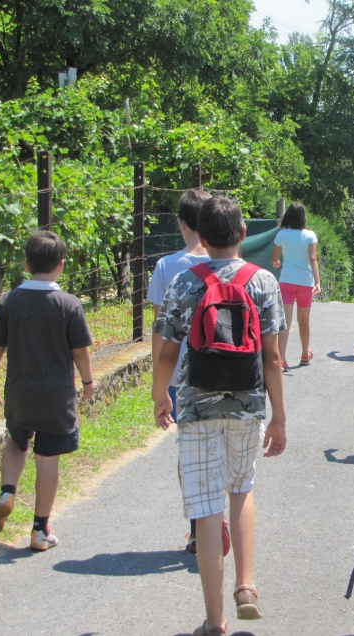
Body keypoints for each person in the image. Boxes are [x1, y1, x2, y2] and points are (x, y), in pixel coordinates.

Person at [152, 196, 287, 636]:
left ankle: (215, 622)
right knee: (242, 485)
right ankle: (246, 586)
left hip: (196, 405)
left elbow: (167, 351)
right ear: (244, 234)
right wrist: (280, 415)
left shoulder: (185, 283)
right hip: (248, 403)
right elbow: (271, 357)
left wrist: (161, 396)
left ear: (202, 237)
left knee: (208, 509)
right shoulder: (263, 281)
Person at [0, 230, 95, 551]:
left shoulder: (9, 301)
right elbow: (80, 352)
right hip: (56, 398)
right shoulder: (68, 304)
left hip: (20, 393)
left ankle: (7, 492)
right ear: (61, 265)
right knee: (47, 458)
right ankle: (40, 529)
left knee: (16, 442)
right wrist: (87, 382)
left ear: (27, 263)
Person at [148, 188, 214, 553]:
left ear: (181, 223)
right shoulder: (227, 263)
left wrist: (160, 386)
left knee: (188, 450)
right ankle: (214, 514)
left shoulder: (167, 266)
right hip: (220, 368)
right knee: (217, 445)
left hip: (181, 376)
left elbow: (159, 331)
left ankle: (196, 526)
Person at [271, 202, 321, 371]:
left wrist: (276, 262)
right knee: (304, 321)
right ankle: (305, 354)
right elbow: (313, 259)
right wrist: (317, 281)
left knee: (285, 321)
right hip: (305, 282)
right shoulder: (310, 235)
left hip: (286, 281)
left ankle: (282, 358)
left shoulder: (282, 234)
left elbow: (274, 258)